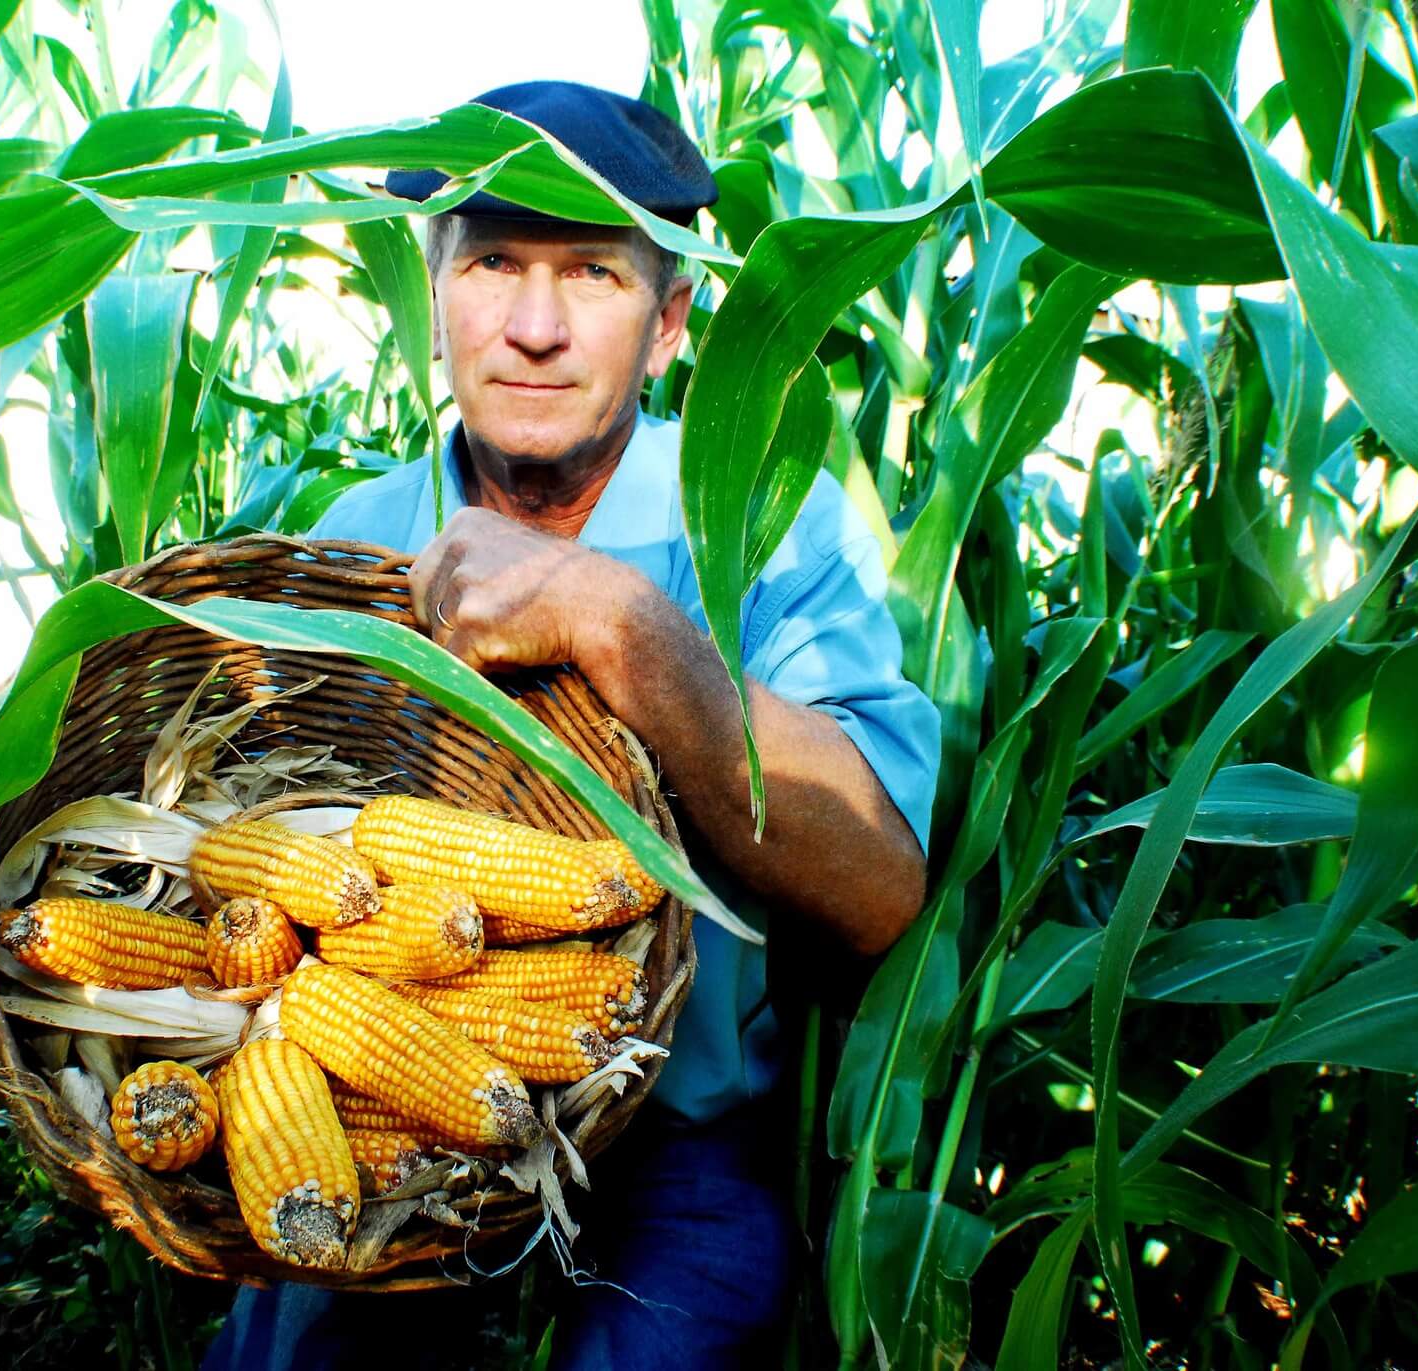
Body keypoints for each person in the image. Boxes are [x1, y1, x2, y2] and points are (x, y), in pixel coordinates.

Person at [199, 80, 939, 1370]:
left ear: (667, 325)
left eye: (592, 274)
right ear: (434, 299)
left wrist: (623, 626)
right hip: (387, 1120)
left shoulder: (770, 526)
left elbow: (880, 890)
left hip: (679, 1140)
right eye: (493, 263)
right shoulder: (347, 550)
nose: (534, 327)